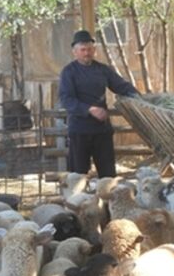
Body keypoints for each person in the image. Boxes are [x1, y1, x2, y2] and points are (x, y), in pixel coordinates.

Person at [59, 29, 140, 178]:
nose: (86, 53)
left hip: (102, 131)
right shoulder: (68, 72)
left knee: (108, 175)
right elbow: (66, 99)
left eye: (89, 49)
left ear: (94, 50)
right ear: (75, 52)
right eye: (82, 50)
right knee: (78, 177)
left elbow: (122, 86)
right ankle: (77, 201)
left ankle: (108, 201)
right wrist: (89, 109)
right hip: (79, 130)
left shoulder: (103, 70)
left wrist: (139, 98)